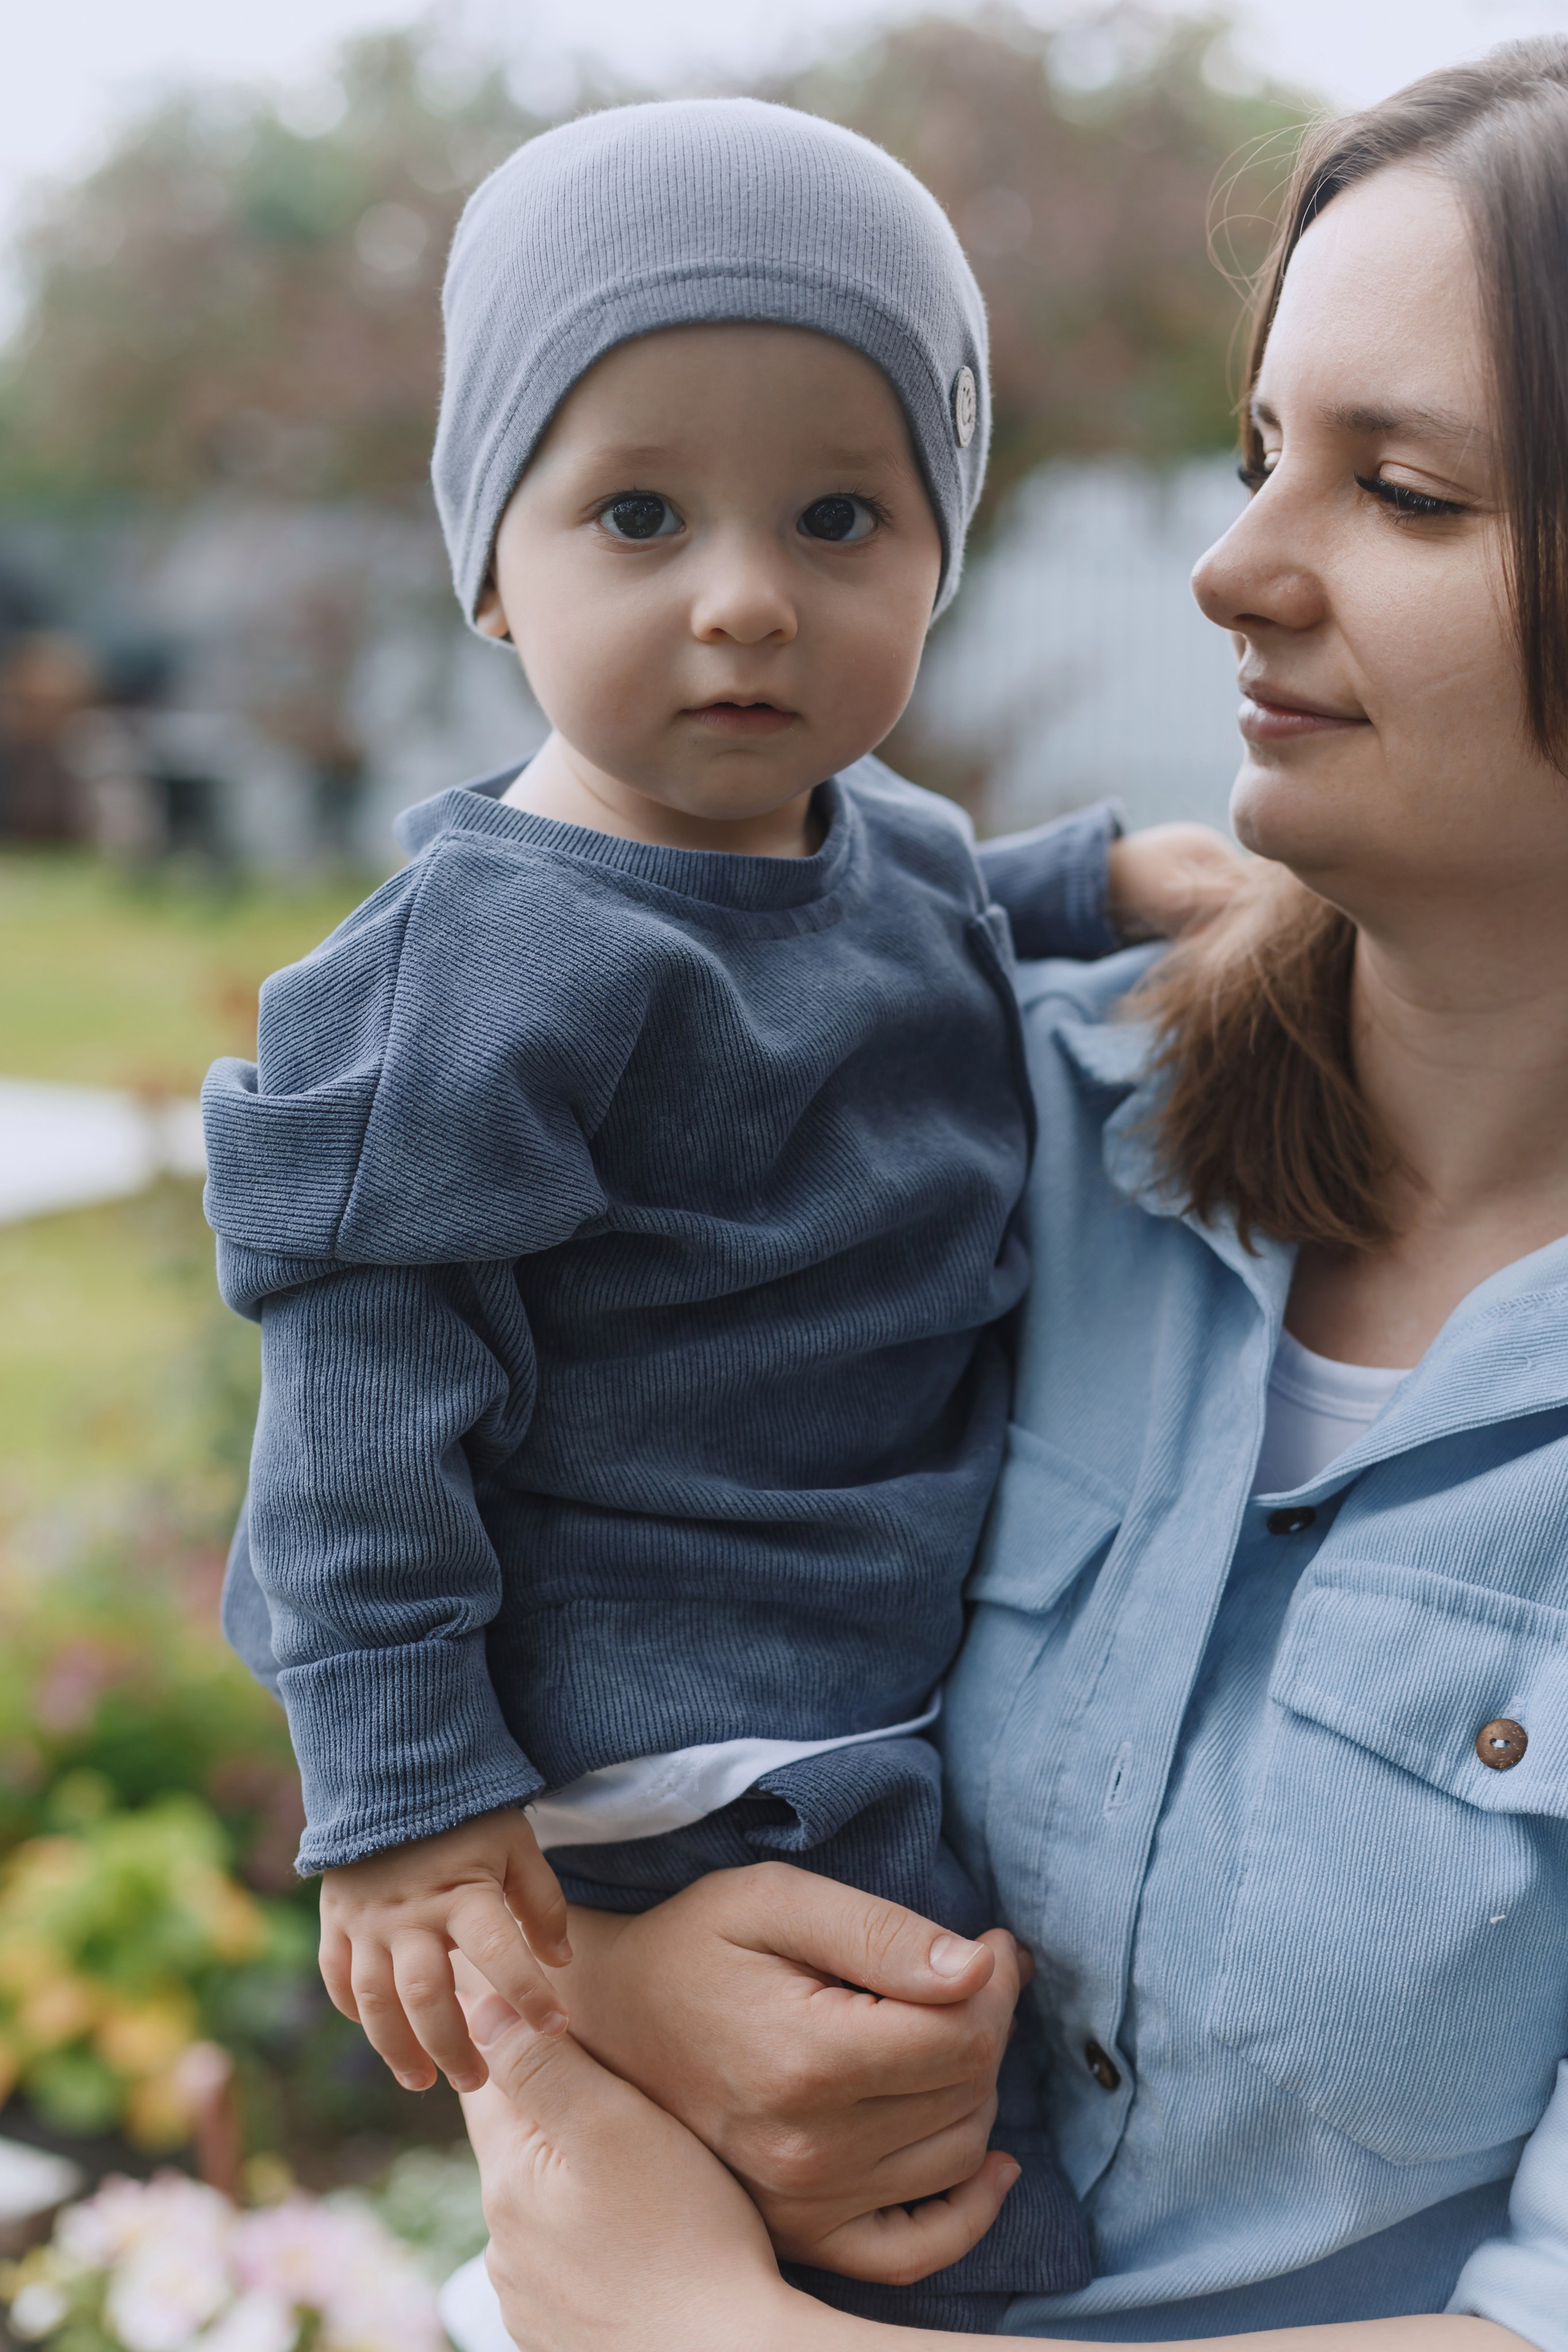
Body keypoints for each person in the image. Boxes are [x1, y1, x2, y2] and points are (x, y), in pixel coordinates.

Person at [439, 39, 1568, 2351]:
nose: (1233, 563)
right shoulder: (970, 1115)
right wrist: (632, 1981)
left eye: (1408, 493)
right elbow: (446, 1570)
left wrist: (709, 2328)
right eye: (1267, 453)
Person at [201, 97, 1228, 2329]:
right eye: (639, 512)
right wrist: (399, 1800)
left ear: (937, 557)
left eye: (841, 514)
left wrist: (1116, 881)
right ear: (493, 560)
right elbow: (363, 1392)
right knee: (924, 2173)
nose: (747, 595)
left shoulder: (878, 842)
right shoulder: (497, 958)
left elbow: (957, 898)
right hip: (669, 1725)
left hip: (853, 1663)